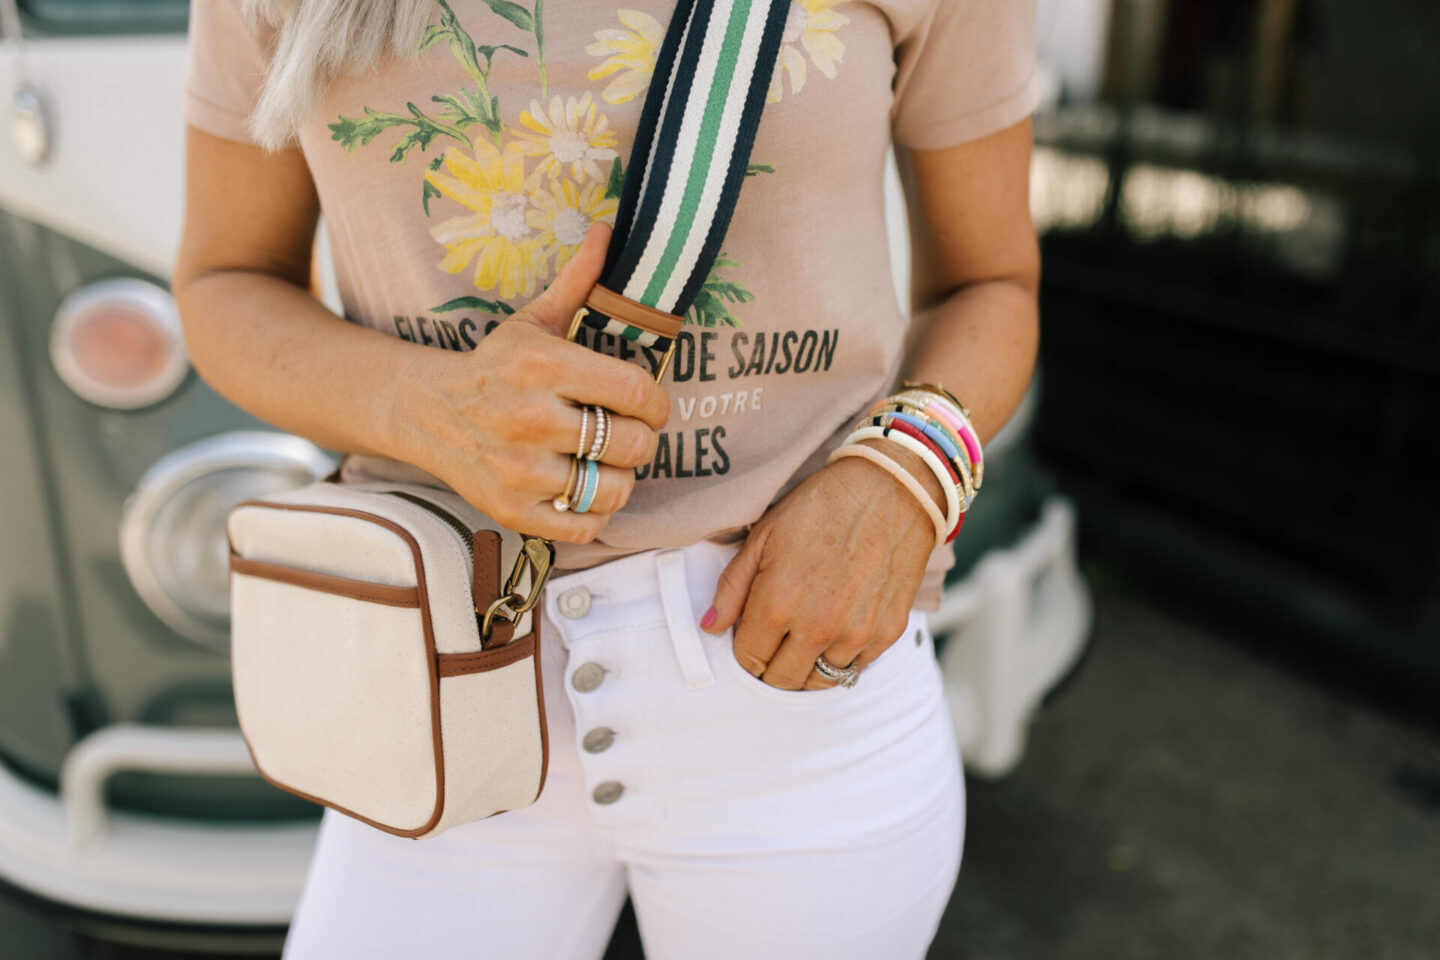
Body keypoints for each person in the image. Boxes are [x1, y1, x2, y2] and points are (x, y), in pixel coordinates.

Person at [173, 0, 1041, 956]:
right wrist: (426, 407)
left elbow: (991, 284)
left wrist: (901, 477)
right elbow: (225, 280)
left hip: (797, 674)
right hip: (439, 687)